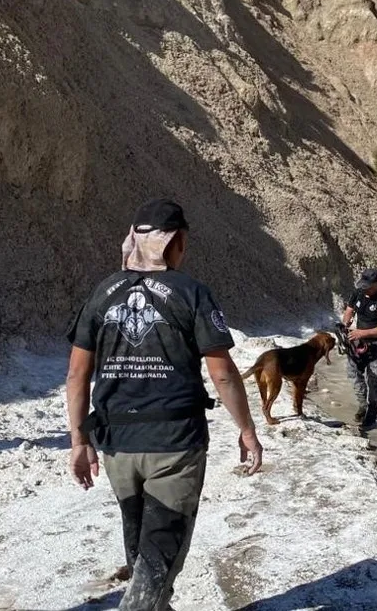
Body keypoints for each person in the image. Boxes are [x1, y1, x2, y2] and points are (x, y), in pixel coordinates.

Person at [64, 199, 263, 611]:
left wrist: (79, 440)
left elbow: (76, 375)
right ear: (177, 242)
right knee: (158, 561)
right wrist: (247, 429)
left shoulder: (102, 293)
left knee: (140, 550)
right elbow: (222, 372)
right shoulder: (191, 293)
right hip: (174, 443)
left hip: (116, 442)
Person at [341, 267, 377, 435]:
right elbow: (349, 311)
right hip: (358, 342)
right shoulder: (359, 293)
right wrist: (346, 324)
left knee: (374, 379)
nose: (365, 288)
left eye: (369, 286)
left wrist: (362, 332)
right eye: (364, 285)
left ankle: (372, 411)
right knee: (353, 373)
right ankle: (362, 404)